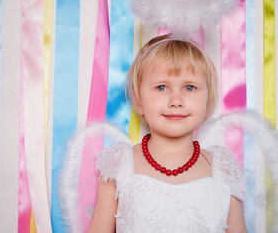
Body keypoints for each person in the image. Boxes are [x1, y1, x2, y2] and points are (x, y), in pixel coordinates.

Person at [87, 35, 247, 232]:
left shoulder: (223, 169)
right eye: (162, 87)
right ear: (138, 101)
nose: (176, 100)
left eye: (190, 87)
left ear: (207, 99)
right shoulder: (118, 164)